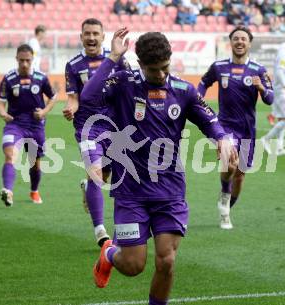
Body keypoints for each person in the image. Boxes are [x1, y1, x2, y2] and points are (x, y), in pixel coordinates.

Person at [81, 29, 237, 305]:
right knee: (133, 265)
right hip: (130, 191)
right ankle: (108, 253)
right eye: (155, 70)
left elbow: (209, 119)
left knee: (166, 261)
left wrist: (222, 138)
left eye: (166, 67)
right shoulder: (122, 82)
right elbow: (89, 100)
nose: (162, 74)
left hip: (169, 191)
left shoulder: (182, 90)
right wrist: (113, 57)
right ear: (140, 64)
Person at [198, 25, 274, 230]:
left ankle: (226, 207)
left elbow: (270, 98)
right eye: (236, 38)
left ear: (249, 43)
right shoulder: (219, 67)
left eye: (243, 39)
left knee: (240, 175)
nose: (239, 42)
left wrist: (261, 88)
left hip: (248, 129)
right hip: (225, 127)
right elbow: (203, 83)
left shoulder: (259, 70)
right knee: (229, 164)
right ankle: (224, 197)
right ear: (230, 43)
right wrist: (198, 100)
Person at [62, 18, 130, 247]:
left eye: (95, 34)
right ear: (81, 37)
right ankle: (100, 230)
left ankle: (88, 190)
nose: (91, 37)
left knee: (107, 175)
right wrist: (71, 109)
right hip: (87, 126)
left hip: (114, 126)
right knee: (96, 173)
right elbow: (73, 98)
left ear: (103, 36)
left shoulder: (119, 58)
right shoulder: (73, 65)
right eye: (87, 34)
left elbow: (129, 89)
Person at [0, 44, 56, 207]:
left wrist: (44, 112)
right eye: (21, 60)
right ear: (16, 59)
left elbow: (53, 97)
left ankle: (34, 190)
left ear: (32, 59)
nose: (24, 64)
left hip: (36, 126)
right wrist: (2, 113)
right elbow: (1, 103)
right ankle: (7, 191)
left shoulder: (41, 77)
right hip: (15, 124)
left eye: (27, 60)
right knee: (10, 155)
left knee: (34, 163)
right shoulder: (8, 78)